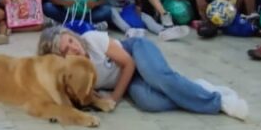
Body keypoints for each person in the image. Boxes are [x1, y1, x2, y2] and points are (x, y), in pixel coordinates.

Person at [39, 27, 247, 119]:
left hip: (134, 53)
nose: (74, 48)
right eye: (65, 50)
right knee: (150, 103)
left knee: (158, 77)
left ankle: (217, 101)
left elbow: (128, 63)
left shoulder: (92, 39)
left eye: (71, 41)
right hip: (127, 80)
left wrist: (114, 98)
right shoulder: (70, 74)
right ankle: (197, 87)